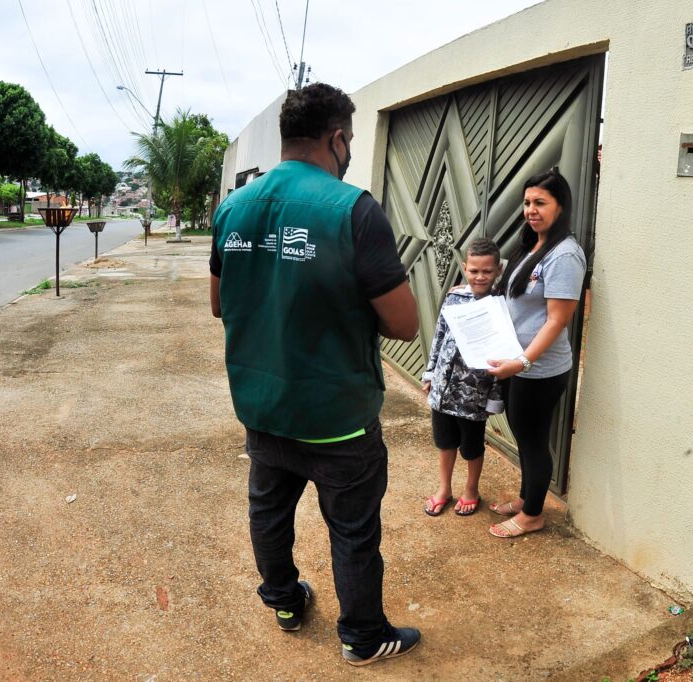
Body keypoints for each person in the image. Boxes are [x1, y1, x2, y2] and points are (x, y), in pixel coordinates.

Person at [209, 83, 422, 666]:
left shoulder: (232, 209)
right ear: (337, 138)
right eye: (349, 141)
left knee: (269, 512)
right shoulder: (354, 210)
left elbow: (219, 305)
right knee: (353, 530)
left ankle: (284, 601)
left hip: (263, 407)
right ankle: (362, 637)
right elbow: (404, 324)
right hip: (338, 417)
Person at [486, 167, 587, 538]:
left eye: (540, 202)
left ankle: (532, 515)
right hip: (517, 363)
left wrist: (524, 361)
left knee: (532, 441)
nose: (531, 210)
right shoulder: (532, 246)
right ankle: (527, 498)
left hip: (539, 369)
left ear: (560, 206)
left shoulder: (565, 256)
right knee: (522, 434)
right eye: (527, 202)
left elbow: (557, 320)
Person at [421, 238, 505, 517]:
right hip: (443, 389)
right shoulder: (454, 298)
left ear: (498, 271)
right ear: (464, 267)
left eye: (487, 271)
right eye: (474, 270)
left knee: (471, 447)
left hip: (475, 395)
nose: (480, 277)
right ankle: (444, 488)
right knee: (444, 442)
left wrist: (495, 396)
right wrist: (430, 373)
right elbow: (439, 336)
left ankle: (471, 489)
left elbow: (504, 352)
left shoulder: (501, 304)